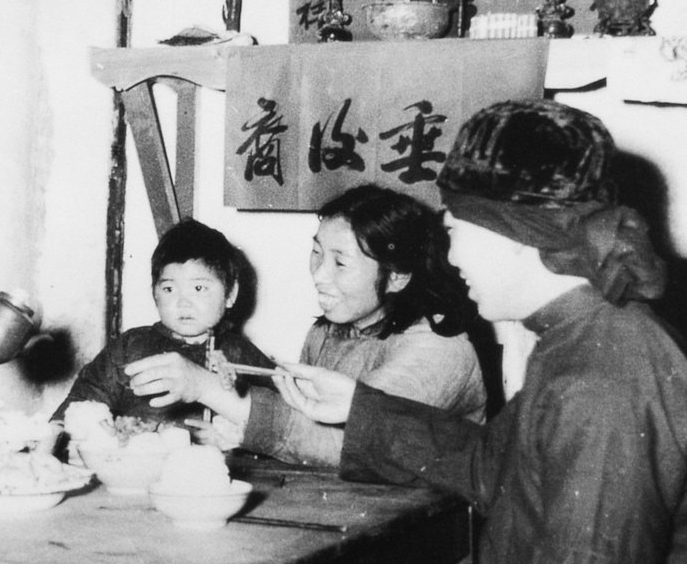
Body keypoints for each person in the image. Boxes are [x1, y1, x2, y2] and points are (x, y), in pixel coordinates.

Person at [281, 100, 687, 564]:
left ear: (519, 239)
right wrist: (361, 409)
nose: (449, 260)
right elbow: (496, 467)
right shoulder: (586, 336)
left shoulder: (604, 378)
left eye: (455, 234)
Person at [189, 185, 488, 467]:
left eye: (340, 263)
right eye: (317, 253)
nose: (319, 275)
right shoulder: (325, 333)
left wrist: (205, 387)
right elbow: (299, 426)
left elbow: (349, 444)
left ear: (397, 277)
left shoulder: (438, 347)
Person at [52, 218, 273, 427]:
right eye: (169, 289)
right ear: (154, 293)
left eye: (199, 288)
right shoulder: (130, 347)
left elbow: (276, 422)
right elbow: (80, 404)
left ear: (230, 294)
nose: (183, 303)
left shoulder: (242, 356)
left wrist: (234, 434)